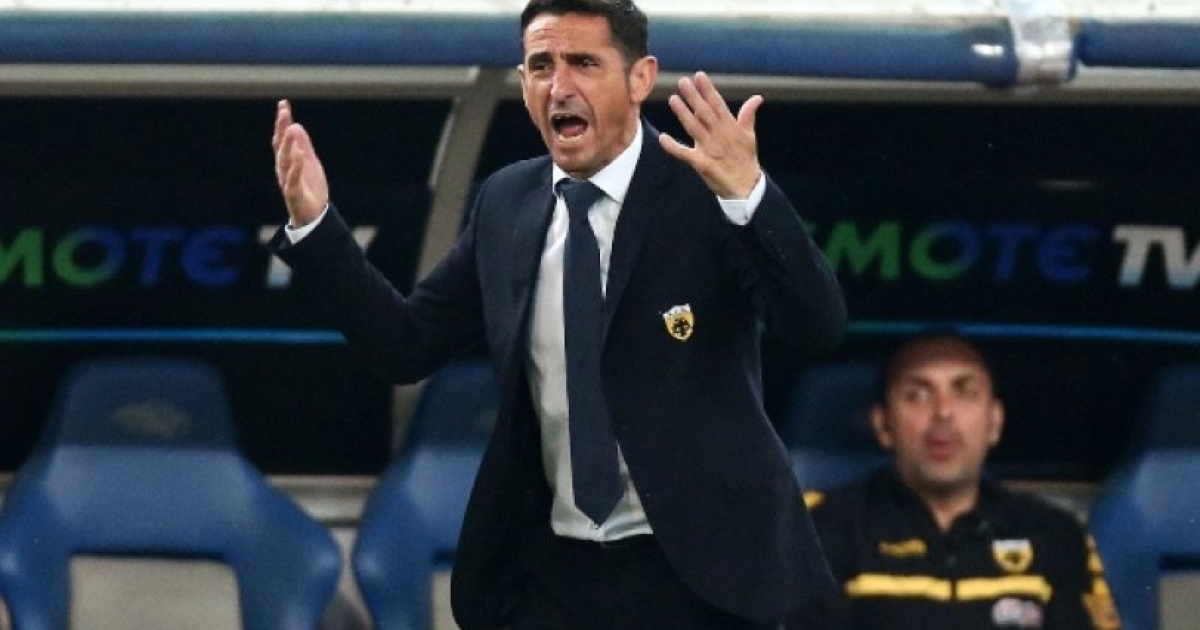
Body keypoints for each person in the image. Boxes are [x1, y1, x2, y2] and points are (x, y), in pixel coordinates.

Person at [269, 0, 847, 629]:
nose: (559, 86)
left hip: (701, 575)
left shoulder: (706, 191)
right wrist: (317, 227)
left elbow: (817, 326)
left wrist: (751, 198)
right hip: (552, 574)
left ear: (640, 78)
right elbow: (405, 345)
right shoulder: (506, 203)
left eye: (583, 63)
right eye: (541, 65)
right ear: (523, 83)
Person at [803, 332, 1121, 630]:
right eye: (917, 394)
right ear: (883, 424)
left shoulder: (1056, 533)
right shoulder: (821, 528)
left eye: (965, 392)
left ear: (995, 422)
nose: (943, 412)